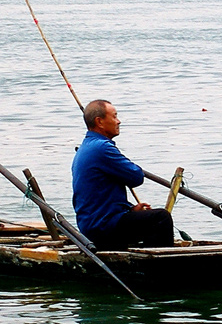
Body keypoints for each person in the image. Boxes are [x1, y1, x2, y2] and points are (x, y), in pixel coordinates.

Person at [72, 99, 174, 250]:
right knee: (160, 218)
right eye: (114, 117)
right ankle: (159, 269)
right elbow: (136, 177)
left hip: (91, 224)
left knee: (147, 218)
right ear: (99, 122)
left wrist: (130, 209)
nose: (118, 121)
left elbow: (100, 196)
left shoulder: (86, 147)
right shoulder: (102, 148)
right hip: (102, 227)